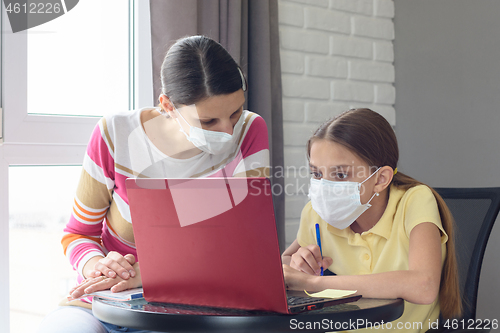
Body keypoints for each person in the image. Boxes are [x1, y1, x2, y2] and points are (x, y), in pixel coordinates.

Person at [37, 35, 270, 333]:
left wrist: (149, 274)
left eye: (235, 112)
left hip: (194, 308)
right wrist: (100, 266)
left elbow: (246, 247)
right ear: (168, 106)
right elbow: (78, 234)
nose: (228, 131)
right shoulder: (115, 134)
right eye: (209, 121)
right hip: (106, 302)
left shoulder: (250, 130)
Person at [282, 108, 461, 332]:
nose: (324, 187)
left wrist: (313, 284)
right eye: (317, 174)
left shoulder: (414, 200)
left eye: (340, 174)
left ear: (380, 178)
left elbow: (423, 286)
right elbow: (285, 262)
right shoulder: (315, 213)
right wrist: (298, 264)